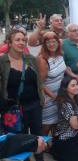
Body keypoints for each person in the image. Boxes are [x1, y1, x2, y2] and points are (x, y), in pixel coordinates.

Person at [0, 29, 45, 161]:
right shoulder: (2, 62)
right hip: (14, 110)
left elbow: (38, 81)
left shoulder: (31, 59)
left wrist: (41, 95)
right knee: (21, 140)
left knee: (38, 136)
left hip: (35, 105)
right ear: (9, 42)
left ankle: (39, 158)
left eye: (24, 40)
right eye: (17, 40)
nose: (22, 43)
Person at [37, 32, 66, 136]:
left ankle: (53, 146)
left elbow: (63, 70)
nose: (51, 44)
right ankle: (42, 147)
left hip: (60, 95)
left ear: (58, 43)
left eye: (54, 41)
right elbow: (40, 82)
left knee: (56, 123)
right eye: (48, 42)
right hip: (49, 98)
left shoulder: (60, 54)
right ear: (44, 44)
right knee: (47, 125)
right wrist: (53, 96)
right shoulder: (43, 59)